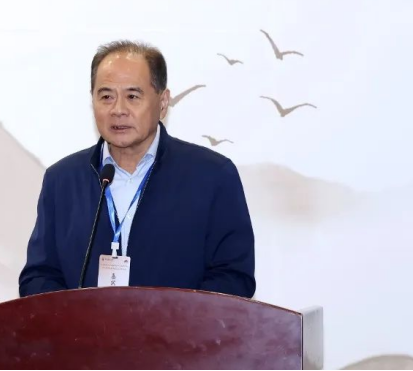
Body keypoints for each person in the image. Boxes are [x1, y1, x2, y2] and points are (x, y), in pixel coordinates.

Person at [19, 40, 255, 298]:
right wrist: (76, 318)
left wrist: (168, 317)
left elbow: (233, 278)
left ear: (163, 103)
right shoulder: (62, 180)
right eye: (106, 97)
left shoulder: (213, 176)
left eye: (132, 96)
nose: (118, 110)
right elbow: (39, 276)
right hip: (83, 326)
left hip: (177, 325)